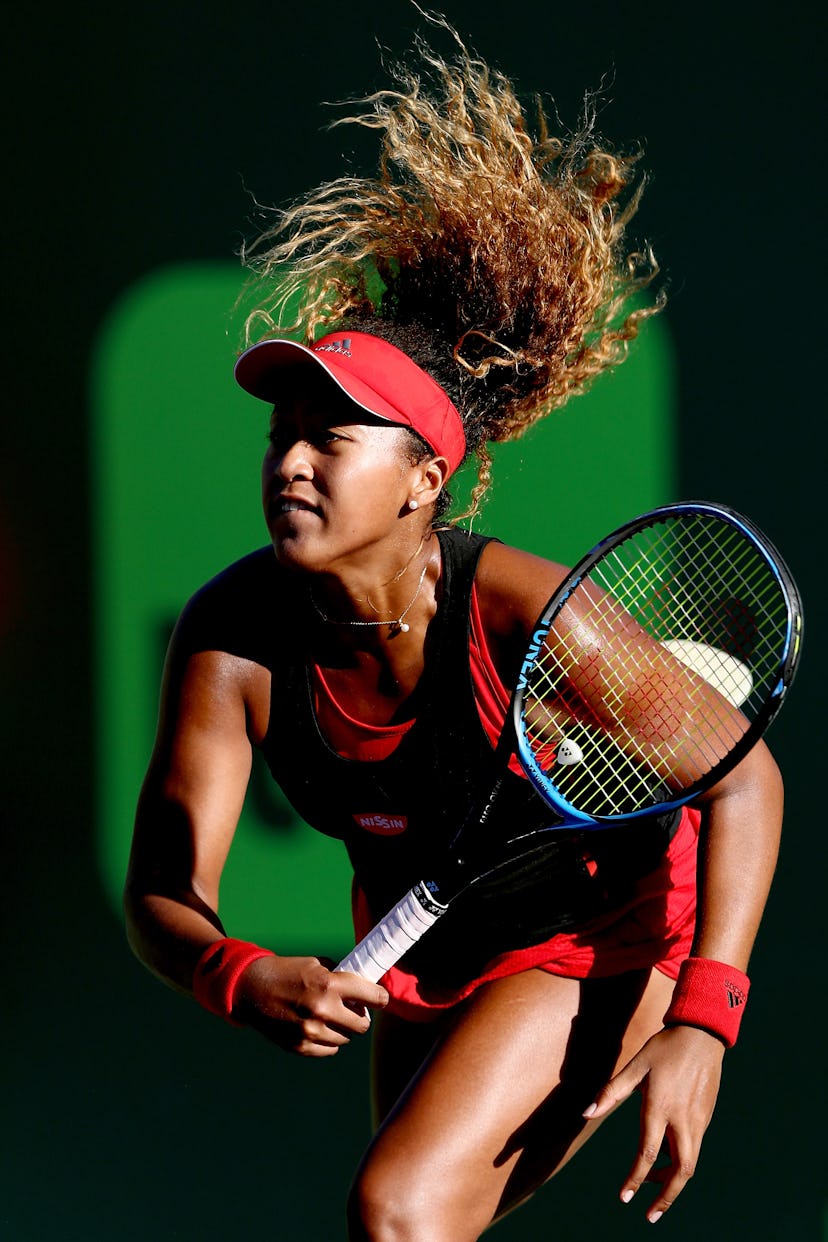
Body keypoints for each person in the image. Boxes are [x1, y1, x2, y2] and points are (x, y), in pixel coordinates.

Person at [124, 17, 783, 1239]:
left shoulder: (529, 614)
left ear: (426, 480)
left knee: (398, 1212)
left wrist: (704, 1022)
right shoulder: (231, 643)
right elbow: (163, 892)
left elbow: (746, 784)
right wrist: (239, 971)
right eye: (283, 434)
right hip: (440, 951)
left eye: (334, 436)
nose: (293, 461)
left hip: (602, 939)